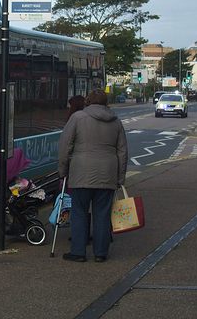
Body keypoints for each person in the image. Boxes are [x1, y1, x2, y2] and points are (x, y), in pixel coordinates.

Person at [57, 88, 128, 263]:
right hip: (107, 173)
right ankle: (100, 253)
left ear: (88, 100)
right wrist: (120, 178)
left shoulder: (77, 118)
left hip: (81, 172)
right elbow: (122, 152)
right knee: (102, 214)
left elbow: (64, 146)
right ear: (105, 102)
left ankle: (78, 252)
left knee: (79, 213)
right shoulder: (116, 121)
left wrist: (63, 170)